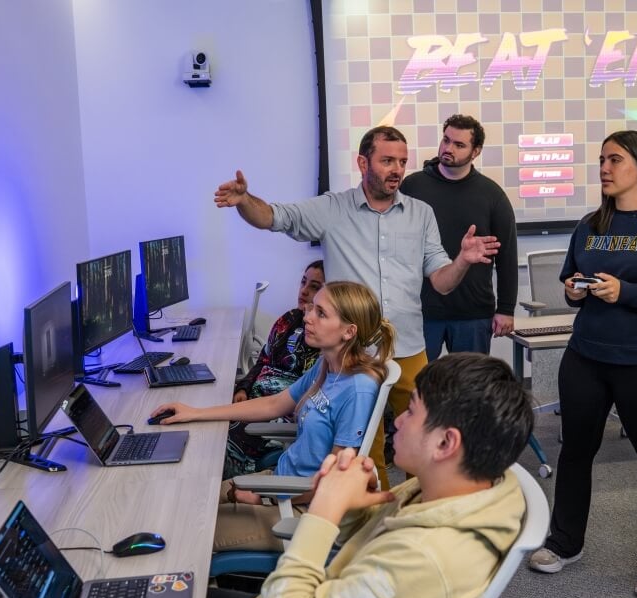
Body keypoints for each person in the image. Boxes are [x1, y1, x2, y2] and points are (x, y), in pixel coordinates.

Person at [191, 352, 534, 598]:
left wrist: (323, 513)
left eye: (412, 411)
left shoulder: (423, 560)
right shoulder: (457, 491)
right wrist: (356, 509)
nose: (398, 420)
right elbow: (377, 548)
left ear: (446, 443)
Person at [214, 125, 500, 486]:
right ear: (363, 162)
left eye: (401, 161)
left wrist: (462, 260)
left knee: (425, 441)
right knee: (366, 450)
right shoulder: (333, 209)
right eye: (387, 161)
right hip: (354, 354)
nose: (396, 169)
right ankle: (369, 520)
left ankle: (418, 515)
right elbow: (273, 217)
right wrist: (244, 200)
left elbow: (441, 282)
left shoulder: (421, 214)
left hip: (410, 348)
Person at [524, 130, 637, 598]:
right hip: (586, 357)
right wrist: (573, 291)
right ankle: (565, 542)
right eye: (601, 159)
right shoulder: (591, 223)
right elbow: (567, 279)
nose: (603, 167)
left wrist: (627, 292)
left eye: (614, 159)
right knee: (576, 453)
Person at [151, 281, 395, 552]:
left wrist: (264, 497)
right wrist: (195, 413)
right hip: (282, 483)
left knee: (189, 530)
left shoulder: (358, 389)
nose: (307, 317)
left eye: (321, 314)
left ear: (349, 331)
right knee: (186, 500)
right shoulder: (329, 364)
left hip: (304, 509)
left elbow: (335, 486)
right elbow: (275, 404)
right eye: (312, 309)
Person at [401, 114, 519, 360]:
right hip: (419, 311)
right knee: (416, 390)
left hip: (472, 313)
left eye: (459, 144)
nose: (448, 148)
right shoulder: (412, 187)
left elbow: (507, 256)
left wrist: (506, 309)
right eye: (446, 140)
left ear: (475, 152)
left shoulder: (492, 195)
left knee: (470, 391)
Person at [224, 259, 325, 479]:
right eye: (303, 282)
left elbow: (293, 403)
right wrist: (243, 387)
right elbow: (263, 360)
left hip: (277, 416)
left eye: (315, 287)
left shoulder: (323, 341)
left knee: (216, 448)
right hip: (256, 402)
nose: (304, 291)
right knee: (210, 427)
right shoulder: (288, 320)